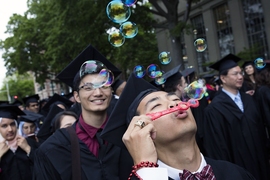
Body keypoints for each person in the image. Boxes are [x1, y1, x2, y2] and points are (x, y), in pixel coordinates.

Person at [101, 73, 256, 180]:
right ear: (143, 129)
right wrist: (145, 168)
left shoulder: (235, 173)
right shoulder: (147, 177)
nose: (174, 103)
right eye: (156, 105)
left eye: (175, 98)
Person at [33, 44, 133, 180]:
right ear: (76, 97)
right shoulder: (54, 148)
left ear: (111, 92)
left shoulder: (129, 136)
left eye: (104, 86)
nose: (98, 92)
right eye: (88, 87)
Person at [202, 54, 269, 180]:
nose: (240, 77)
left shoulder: (249, 100)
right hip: (237, 168)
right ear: (223, 78)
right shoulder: (214, 109)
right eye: (235, 74)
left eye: (240, 73)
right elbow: (217, 148)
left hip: (261, 163)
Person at [0, 105, 39, 179]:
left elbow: (44, 166)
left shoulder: (29, 143)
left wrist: (28, 149)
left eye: (12, 124)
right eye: (4, 126)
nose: (10, 129)